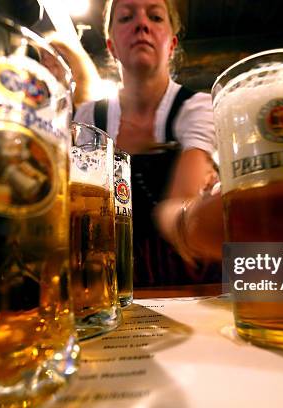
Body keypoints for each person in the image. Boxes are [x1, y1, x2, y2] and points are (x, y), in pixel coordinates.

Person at [60, 0, 220, 286]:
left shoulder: (197, 106)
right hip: (110, 281)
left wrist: (191, 220)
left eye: (156, 16)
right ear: (112, 46)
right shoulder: (88, 115)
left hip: (186, 280)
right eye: (126, 17)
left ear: (171, 45)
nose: (142, 24)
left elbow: (181, 201)